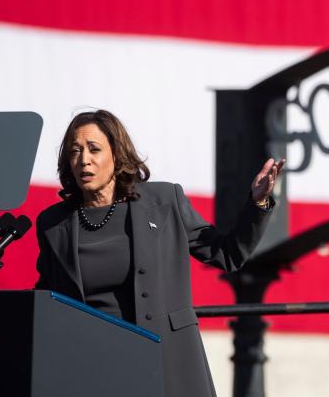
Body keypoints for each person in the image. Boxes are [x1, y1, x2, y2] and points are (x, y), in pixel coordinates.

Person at [34, 109, 282, 397]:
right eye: (75, 151)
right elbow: (47, 299)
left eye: (94, 149)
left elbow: (227, 254)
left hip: (165, 359)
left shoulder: (164, 201)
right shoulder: (53, 224)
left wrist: (258, 203)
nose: (84, 160)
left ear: (116, 154)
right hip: (95, 367)